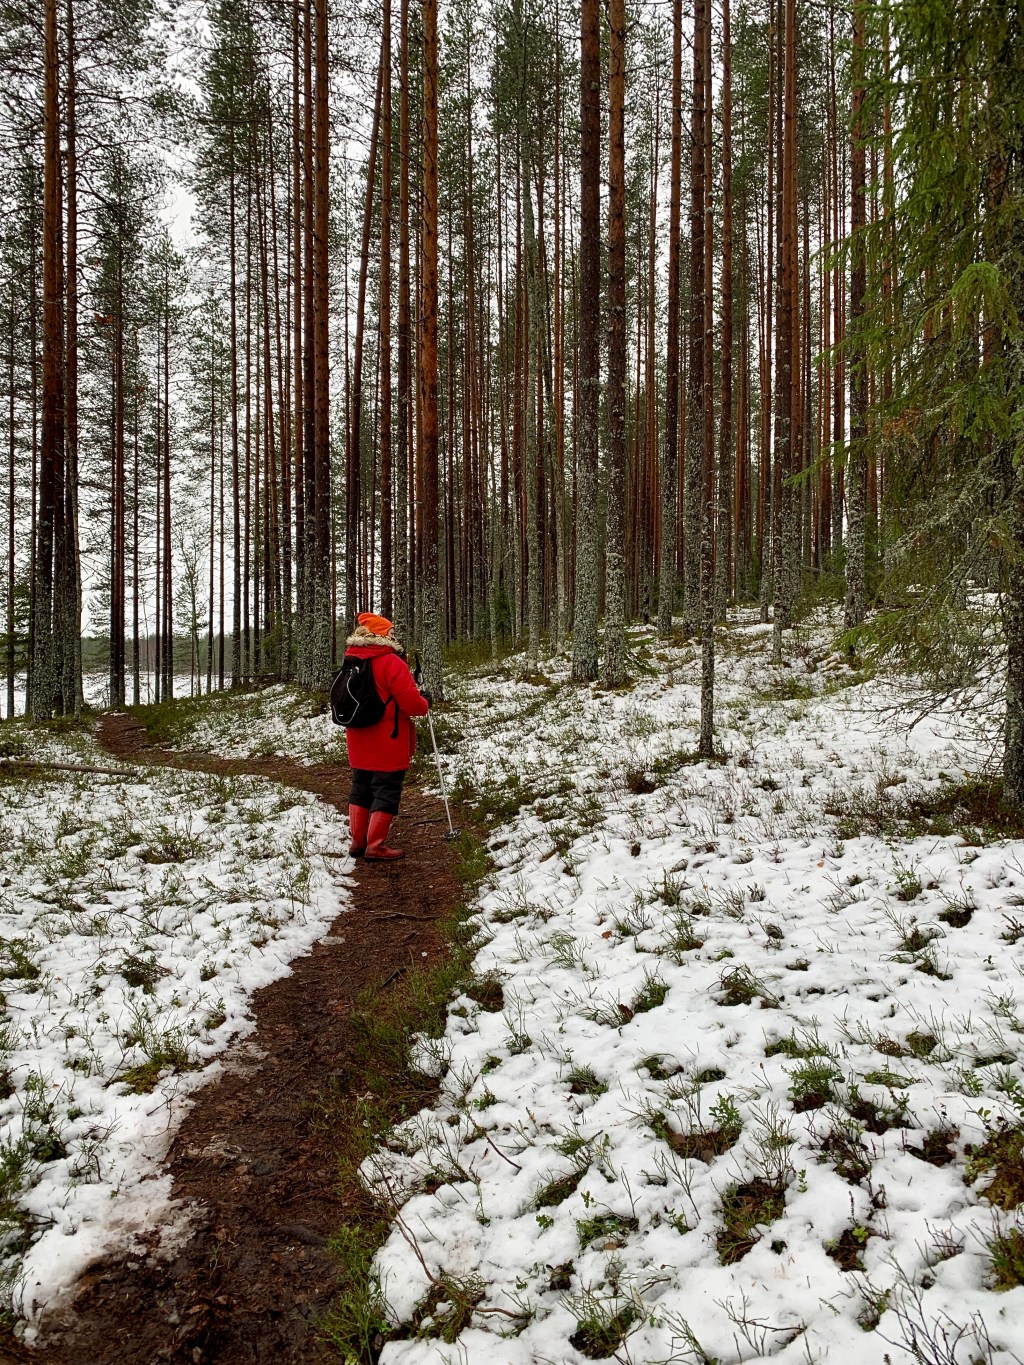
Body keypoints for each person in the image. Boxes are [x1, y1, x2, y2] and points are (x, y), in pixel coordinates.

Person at [343, 612, 431, 861]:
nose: (394, 636)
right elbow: (413, 705)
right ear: (379, 635)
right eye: (390, 632)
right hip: (388, 739)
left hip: (358, 737)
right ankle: (375, 846)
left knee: (360, 787)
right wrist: (426, 702)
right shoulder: (391, 662)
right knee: (387, 790)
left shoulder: (351, 660)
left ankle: (358, 842)